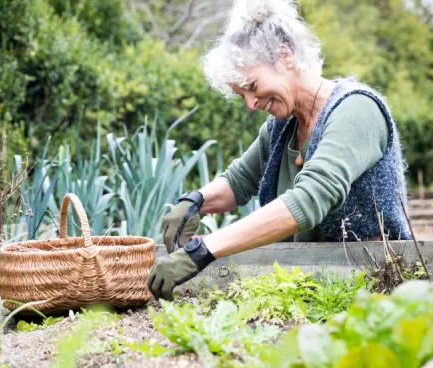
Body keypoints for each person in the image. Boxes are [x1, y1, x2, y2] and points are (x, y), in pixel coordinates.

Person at [147, 0, 411, 301]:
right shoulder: (282, 125)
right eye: (241, 95)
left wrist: (204, 249)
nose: (250, 104)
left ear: (284, 56)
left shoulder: (357, 109)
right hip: (312, 287)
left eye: (252, 86)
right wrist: (194, 202)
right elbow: (239, 181)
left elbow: (309, 199)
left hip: (373, 290)